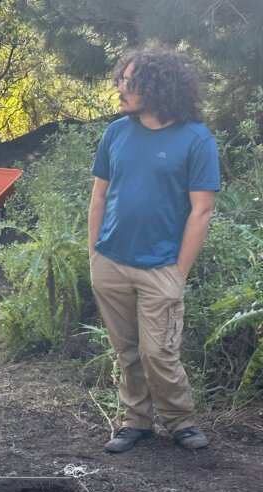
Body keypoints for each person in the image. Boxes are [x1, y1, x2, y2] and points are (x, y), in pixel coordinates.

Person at [88, 47, 221, 453]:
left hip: (161, 266)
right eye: (121, 79)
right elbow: (99, 196)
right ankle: (135, 422)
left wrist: (178, 272)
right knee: (127, 351)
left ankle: (180, 421)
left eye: (131, 81)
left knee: (158, 352)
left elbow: (202, 211)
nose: (121, 88)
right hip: (111, 263)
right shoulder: (116, 132)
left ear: (159, 85)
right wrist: (95, 253)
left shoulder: (195, 139)